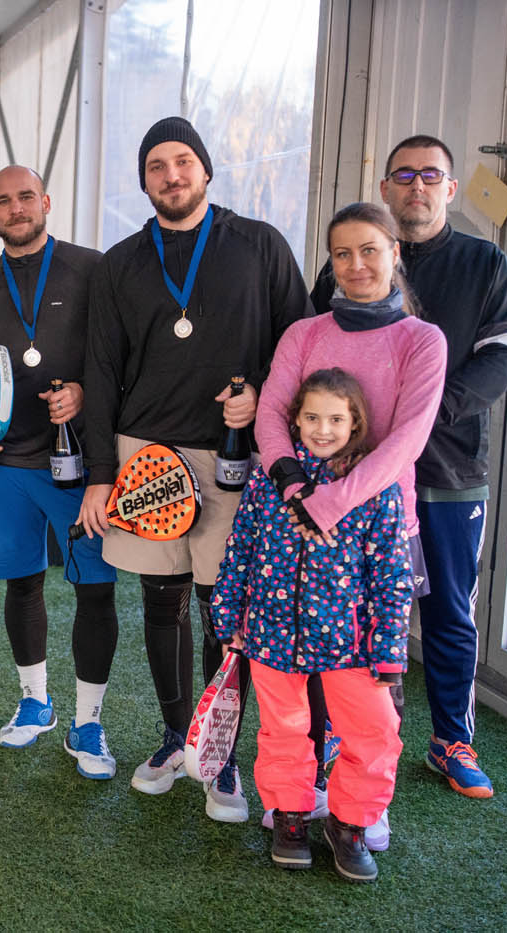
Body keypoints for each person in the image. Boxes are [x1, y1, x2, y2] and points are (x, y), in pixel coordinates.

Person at [79, 117, 309, 820]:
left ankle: (220, 757)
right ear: (144, 180)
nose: (171, 175)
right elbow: (101, 369)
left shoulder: (260, 245)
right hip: (144, 456)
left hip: (230, 458)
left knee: (222, 612)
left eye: (182, 161)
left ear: (206, 170)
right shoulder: (120, 263)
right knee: (161, 600)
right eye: (156, 165)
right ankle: (176, 738)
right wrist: (99, 474)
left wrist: (261, 396)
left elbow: (297, 343)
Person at [311, 135, 507, 799]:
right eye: (404, 175)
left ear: (450, 189)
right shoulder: (351, 262)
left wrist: (425, 416)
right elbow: (316, 357)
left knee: (449, 612)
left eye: (431, 175)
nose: (417, 186)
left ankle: (451, 739)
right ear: (386, 188)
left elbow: (500, 357)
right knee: (352, 607)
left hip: (449, 471)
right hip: (356, 478)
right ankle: (341, 730)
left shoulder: (484, 262)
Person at [256, 200, 447, 848]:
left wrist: (332, 503)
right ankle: (302, 793)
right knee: (301, 670)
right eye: (342, 253)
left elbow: (407, 441)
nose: (356, 264)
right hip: (298, 520)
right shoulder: (305, 333)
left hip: (377, 530)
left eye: (369, 250)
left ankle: (361, 806)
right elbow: (272, 414)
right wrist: (292, 485)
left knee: (372, 675)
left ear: (395, 252)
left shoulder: (422, 341)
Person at [212, 368, 413, 884]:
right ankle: (291, 816)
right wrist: (227, 612)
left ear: (355, 423)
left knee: (374, 732)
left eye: (336, 419)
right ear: (296, 421)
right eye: (312, 417)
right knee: (284, 730)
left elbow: (393, 574)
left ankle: (350, 825)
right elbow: (241, 546)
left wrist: (389, 649)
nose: (323, 429)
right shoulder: (268, 479)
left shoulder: (374, 486)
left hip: (350, 643)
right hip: (272, 633)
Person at [0, 165, 119, 778]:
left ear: (46, 202)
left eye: (26, 197)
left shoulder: (92, 270)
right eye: (4, 201)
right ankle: (35, 702)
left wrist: (85, 393)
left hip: (82, 467)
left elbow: (118, 356)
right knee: (22, 585)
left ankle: (89, 722)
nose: (17, 208)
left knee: (95, 589)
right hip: (8, 466)